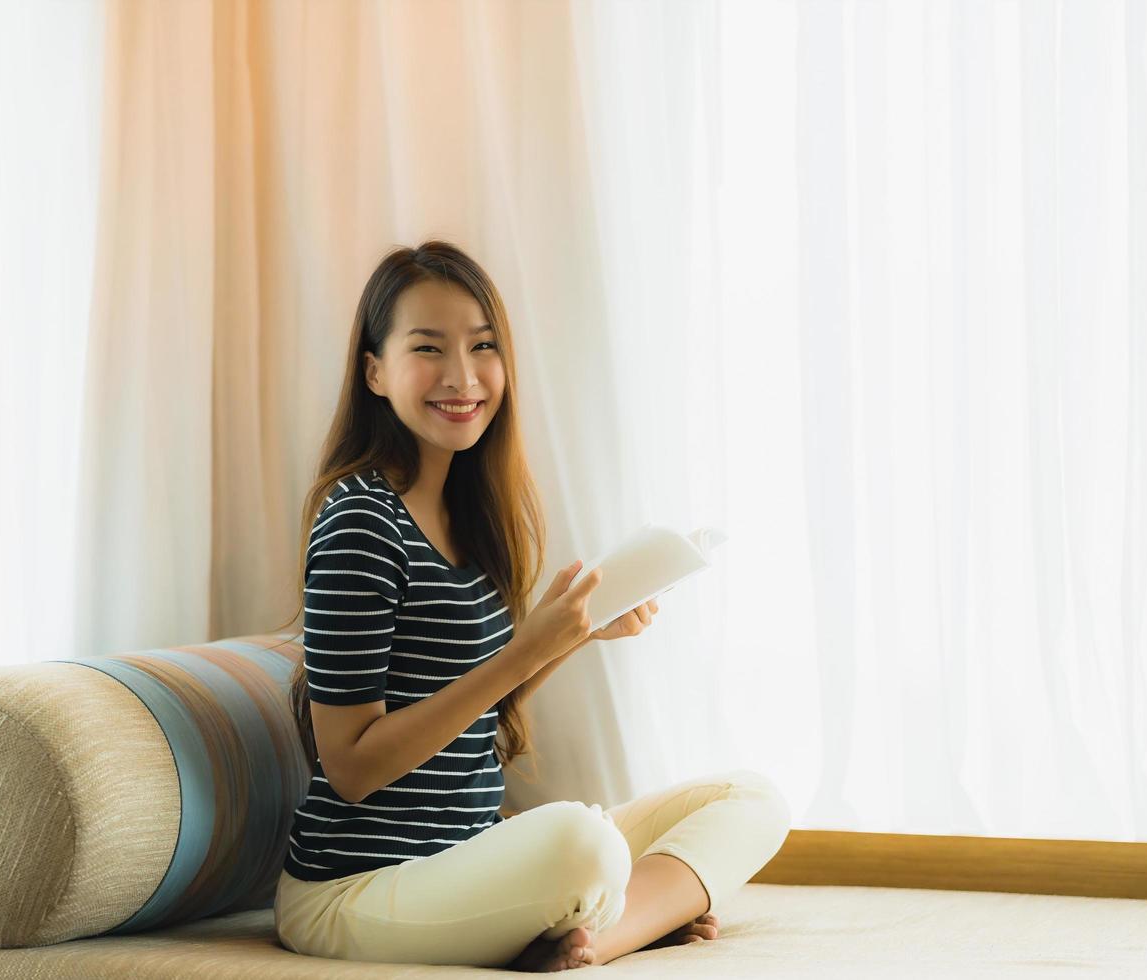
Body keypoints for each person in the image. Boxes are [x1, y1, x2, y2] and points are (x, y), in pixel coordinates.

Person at [262, 240, 791, 970]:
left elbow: (480, 719)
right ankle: (620, 916)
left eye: (484, 347)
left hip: (468, 854)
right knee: (584, 844)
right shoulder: (360, 520)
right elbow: (350, 767)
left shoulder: (465, 518)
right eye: (429, 348)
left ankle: (593, 933)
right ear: (375, 371)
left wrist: (574, 635)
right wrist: (528, 648)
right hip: (355, 890)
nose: (463, 376)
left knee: (751, 798)